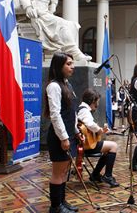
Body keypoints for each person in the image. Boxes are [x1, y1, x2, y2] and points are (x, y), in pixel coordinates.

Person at [20, 0, 91, 61]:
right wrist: (28, 8)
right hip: (39, 15)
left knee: (72, 24)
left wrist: (53, 4)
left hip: (46, 15)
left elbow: (50, 12)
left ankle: (72, 52)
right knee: (62, 24)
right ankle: (75, 53)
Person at [44, 52, 81, 213]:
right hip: (59, 137)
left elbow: (71, 113)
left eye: (72, 63)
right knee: (58, 173)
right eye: (68, 63)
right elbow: (55, 114)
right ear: (59, 66)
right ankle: (55, 207)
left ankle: (62, 202)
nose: (72, 66)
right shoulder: (53, 86)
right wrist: (64, 137)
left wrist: (76, 131)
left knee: (64, 171)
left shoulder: (67, 84)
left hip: (69, 134)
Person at [77, 89, 119, 188]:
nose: (97, 104)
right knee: (114, 146)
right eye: (97, 102)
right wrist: (99, 130)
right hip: (86, 146)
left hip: (84, 144)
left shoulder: (82, 108)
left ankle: (95, 174)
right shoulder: (84, 110)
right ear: (93, 101)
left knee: (107, 150)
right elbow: (90, 124)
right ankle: (108, 176)